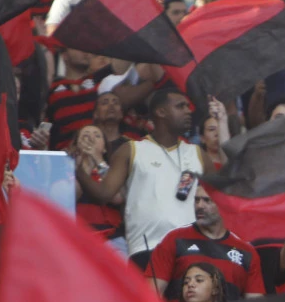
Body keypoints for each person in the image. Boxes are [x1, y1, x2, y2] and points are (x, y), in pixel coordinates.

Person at [74, 88, 205, 269]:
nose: (188, 111)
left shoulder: (198, 153)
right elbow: (104, 193)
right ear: (161, 112)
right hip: (147, 247)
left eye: (187, 106)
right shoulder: (131, 149)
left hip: (193, 248)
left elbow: (218, 201)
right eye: (181, 106)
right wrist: (79, 171)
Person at [145, 186, 265, 302]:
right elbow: (151, 295)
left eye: (207, 200)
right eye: (197, 200)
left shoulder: (247, 251)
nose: (199, 206)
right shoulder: (175, 239)